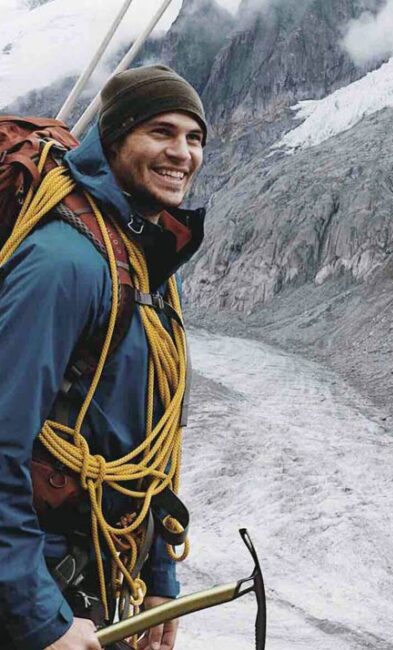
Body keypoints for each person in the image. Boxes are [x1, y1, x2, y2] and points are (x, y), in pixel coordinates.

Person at [0, 65, 207, 650]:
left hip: (96, 587)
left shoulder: (150, 261)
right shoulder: (63, 262)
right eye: (160, 132)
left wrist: (160, 575)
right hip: (36, 597)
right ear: (113, 140)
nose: (182, 153)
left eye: (194, 138)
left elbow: (154, 442)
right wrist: (42, 618)